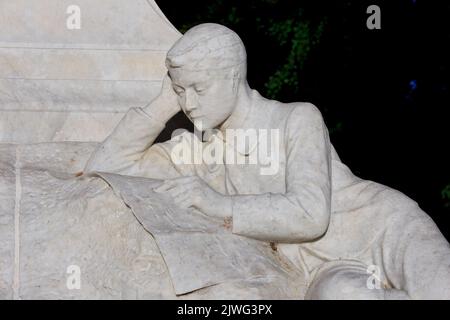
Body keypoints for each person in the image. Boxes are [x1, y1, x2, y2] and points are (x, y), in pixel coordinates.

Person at [84, 23, 450, 299]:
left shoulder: (296, 118)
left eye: (199, 89)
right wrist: (164, 103)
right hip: (323, 268)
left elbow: (310, 214)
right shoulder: (196, 149)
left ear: (232, 77)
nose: (190, 103)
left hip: (379, 228)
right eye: (182, 92)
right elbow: (106, 167)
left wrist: (218, 205)